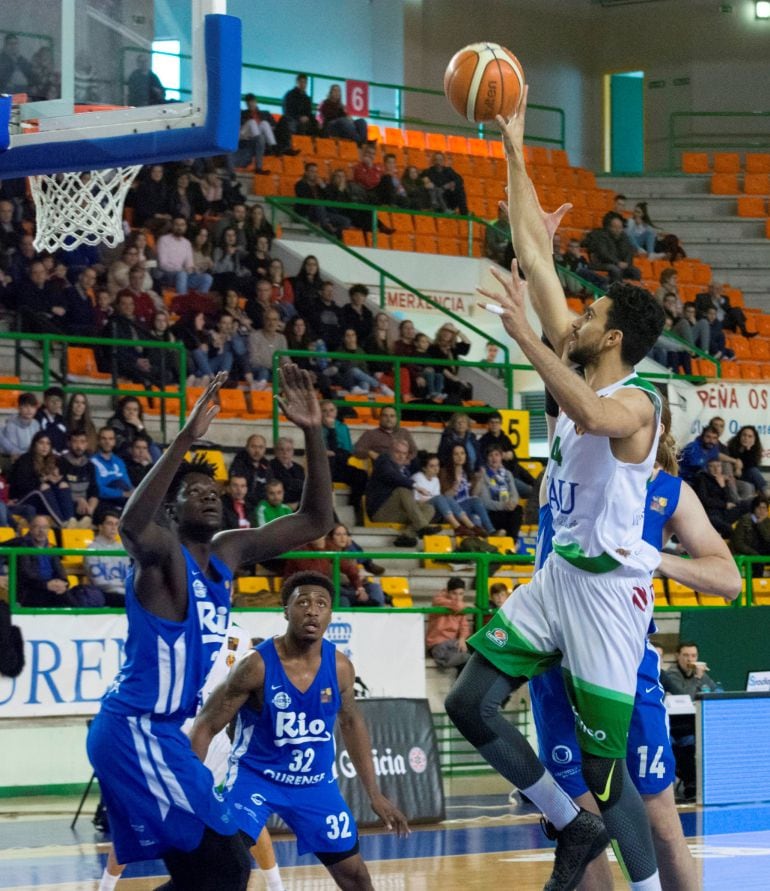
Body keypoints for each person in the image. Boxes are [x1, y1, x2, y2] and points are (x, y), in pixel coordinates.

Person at [445, 88, 669, 890]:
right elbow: (535, 253)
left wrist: (528, 340)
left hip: (609, 599)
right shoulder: (579, 355)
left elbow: (588, 409)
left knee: (615, 780)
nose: (574, 313)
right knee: (469, 703)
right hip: (560, 577)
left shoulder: (638, 401)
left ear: (609, 336)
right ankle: (568, 826)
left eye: (589, 311)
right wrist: (511, 143)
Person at [86, 366, 334, 890]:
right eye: (194, 491)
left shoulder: (227, 551)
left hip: (165, 732)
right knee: (223, 866)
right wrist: (184, 441)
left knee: (219, 871)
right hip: (134, 728)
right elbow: (132, 525)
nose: (208, 495)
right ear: (172, 512)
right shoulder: (160, 556)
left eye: (214, 489)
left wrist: (313, 431)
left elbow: (315, 520)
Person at [530, 395, 739, 890]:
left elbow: (728, 580)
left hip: (625, 664)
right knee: (582, 826)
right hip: (557, 665)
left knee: (660, 819)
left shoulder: (670, 493)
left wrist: (657, 559)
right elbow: (561, 394)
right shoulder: (562, 475)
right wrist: (539, 330)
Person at [190, 570, 408, 890]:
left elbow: (352, 723)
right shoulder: (256, 665)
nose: (312, 609)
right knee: (225, 866)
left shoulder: (341, 667)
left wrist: (374, 793)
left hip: (315, 786)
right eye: (302, 602)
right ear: (286, 611)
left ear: (331, 614)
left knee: (356, 877)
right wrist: (194, 790)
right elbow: (206, 724)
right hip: (255, 779)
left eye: (321, 603)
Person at [661, 641, 719, 803]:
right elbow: (683, 696)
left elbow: (715, 691)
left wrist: (703, 680)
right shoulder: (672, 674)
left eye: (693, 656)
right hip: (675, 728)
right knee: (686, 746)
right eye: (686, 655)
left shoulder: (700, 674)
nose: (690, 659)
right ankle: (690, 784)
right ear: (677, 656)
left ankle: (702, 785)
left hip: (693, 727)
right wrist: (698, 679)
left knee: (702, 742)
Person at [364, 438, 438, 547]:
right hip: (380, 512)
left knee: (429, 508)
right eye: (397, 452)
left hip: (397, 512)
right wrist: (415, 485)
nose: (401, 456)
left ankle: (406, 536)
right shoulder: (383, 460)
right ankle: (422, 527)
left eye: (404, 453)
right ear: (390, 451)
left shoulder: (404, 470)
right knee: (402, 489)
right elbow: (391, 476)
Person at [7, 430, 75, 527]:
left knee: (63, 485)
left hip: (43, 497)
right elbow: (22, 485)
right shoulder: (25, 459)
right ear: (34, 444)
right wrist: (44, 479)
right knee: (42, 488)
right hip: (22, 498)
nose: (45, 446)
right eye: (41, 443)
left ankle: (71, 520)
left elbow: (60, 481)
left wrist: (58, 480)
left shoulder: (55, 460)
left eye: (48, 444)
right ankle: (62, 523)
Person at [320, 399, 367, 525]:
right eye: (324, 411)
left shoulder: (342, 427)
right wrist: (329, 430)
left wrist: (333, 451)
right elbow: (315, 451)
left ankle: (355, 508)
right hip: (323, 467)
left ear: (336, 412)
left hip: (340, 464)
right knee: (327, 463)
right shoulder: (315, 428)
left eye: (331, 410)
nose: (328, 413)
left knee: (361, 475)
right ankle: (329, 511)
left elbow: (347, 453)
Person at [411, 452, 479, 535]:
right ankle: (457, 527)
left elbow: (438, 499)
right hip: (422, 512)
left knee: (448, 498)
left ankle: (472, 526)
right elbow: (415, 501)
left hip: (435, 512)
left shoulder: (435, 480)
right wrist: (436, 499)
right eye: (432, 466)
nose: (436, 469)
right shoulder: (417, 477)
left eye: (437, 465)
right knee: (440, 498)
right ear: (424, 468)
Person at [12, 515, 70, 607]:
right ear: (30, 529)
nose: (41, 531)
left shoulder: (52, 548)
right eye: (37, 527)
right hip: (32, 590)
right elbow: (27, 575)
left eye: (45, 527)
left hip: (51, 588)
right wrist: (46, 585)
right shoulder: (23, 547)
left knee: (69, 598)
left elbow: (60, 571)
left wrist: (63, 583)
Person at [438, 445, 495, 535]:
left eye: (462, 453)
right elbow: (445, 496)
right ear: (451, 456)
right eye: (456, 454)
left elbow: (473, 494)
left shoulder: (468, 472)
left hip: (466, 508)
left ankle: (491, 531)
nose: (460, 456)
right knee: (475, 521)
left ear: (466, 456)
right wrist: (456, 483)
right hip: (453, 509)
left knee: (476, 504)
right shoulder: (444, 472)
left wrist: (479, 479)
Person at [84, 509, 130, 607]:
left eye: (116, 524)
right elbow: (99, 582)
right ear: (100, 526)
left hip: (124, 592)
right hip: (105, 593)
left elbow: (128, 575)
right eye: (109, 524)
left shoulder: (123, 548)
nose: (114, 528)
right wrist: (122, 589)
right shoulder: (92, 549)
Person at [475, 445, 522, 539]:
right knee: (505, 516)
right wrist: (504, 505)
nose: (494, 458)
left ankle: (513, 542)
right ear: (487, 459)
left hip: (507, 510)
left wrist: (512, 503)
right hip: (493, 512)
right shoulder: (484, 475)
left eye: (497, 455)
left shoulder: (507, 474)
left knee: (517, 509)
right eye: (491, 455)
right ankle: (508, 541)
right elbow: (485, 502)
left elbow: (514, 494)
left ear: (501, 457)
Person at [426, 576, 472, 671]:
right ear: (447, 592)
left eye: (461, 594)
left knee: (467, 657)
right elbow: (457, 605)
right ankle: (444, 661)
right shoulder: (439, 600)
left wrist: (462, 639)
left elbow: (464, 626)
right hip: (437, 643)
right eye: (454, 593)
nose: (457, 597)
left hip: (452, 643)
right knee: (462, 658)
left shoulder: (461, 606)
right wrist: (464, 605)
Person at [156, 217, 213, 295]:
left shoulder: (187, 243)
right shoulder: (164, 240)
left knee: (207, 278)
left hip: (183, 275)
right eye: (177, 224)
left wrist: (193, 268)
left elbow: (189, 264)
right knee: (182, 274)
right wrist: (182, 269)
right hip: (167, 275)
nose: (179, 227)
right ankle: (183, 302)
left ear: (185, 227)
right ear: (172, 226)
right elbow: (163, 264)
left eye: (182, 225)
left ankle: (199, 303)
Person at [583, 212, 641, 283]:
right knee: (615, 269)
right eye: (615, 227)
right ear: (609, 227)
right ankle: (616, 290)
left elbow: (629, 252)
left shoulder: (624, 237)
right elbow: (603, 254)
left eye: (620, 228)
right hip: (601, 263)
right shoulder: (601, 236)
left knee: (635, 271)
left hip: (617, 264)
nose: (618, 230)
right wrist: (617, 262)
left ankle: (634, 291)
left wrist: (626, 263)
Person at [60, 431, 100, 527]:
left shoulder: (90, 465)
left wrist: (90, 508)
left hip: (85, 505)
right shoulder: (60, 463)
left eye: (82, 442)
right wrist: (79, 500)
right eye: (75, 442)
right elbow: (61, 489)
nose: (79, 446)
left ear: (86, 444)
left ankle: (87, 520)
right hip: (68, 504)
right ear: (69, 443)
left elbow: (94, 490)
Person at [353, 405, 418, 463]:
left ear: (396, 418)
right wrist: (370, 452)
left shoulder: (404, 432)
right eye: (385, 416)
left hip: (402, 465)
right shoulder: (370, 434)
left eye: (392, 416)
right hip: (382, 466)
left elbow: (414, 451)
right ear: (380, 418)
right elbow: (357, 449)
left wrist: (406, 459)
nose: (389, 419)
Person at [90, 427, 133, 512]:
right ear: (98, 441)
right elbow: (98, 489)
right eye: (104, 438)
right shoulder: (91, 462)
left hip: (123, 500)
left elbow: (128, 485)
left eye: (111, 439)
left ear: (114, 441)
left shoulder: (119, 461)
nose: (107, 442)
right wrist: (122, 493)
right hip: (105, 501)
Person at [730, 495, 770, 577]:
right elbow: (738, 543)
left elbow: (768, 539)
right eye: (759, 508)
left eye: (764, 508)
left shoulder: (767, 522)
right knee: (758, 560)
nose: (762, 511)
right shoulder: (744, 521)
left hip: (760, 551)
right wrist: (754, 553)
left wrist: (761, 524)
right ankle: (755, 585)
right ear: (754, 509)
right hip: (746, 552)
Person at [726, 425, 769, 497]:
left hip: (747, 477)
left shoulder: (754, 451)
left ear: (754, 439)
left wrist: (748, 449)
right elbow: (736, 469)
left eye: (750, 436)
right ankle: (766, 492)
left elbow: (750, 465)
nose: (746, 438)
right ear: (739, 436)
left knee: (752, 473)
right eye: (744, 435)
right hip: (733, 476)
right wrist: (737, 466)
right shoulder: (731, 447)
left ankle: (764, 493)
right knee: (753, 471)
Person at [229, 433, 272, 505]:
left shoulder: (266, 465)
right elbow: (237, 489)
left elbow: (270, 487)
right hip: (243, 504)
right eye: (253, 447)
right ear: (247, 447)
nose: (257, 451)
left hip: (263, 505)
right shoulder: (239, 463)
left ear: (265, 449)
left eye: (261, 447)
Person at [0, 392, 40, 463]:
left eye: (32, 407)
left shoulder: (36, 424)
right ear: (19, 407)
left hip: (31, 457)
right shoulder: (11, 425)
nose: (29, 410)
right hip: (14, 458)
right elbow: (13, 449)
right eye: (25, 406)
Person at [269, 437, 305, 509]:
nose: (285, 453)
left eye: (288, 450)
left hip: (299, 505)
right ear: (276, 452)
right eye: (281, 450)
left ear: (293, 452)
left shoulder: (299, 468)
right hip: (280, 506)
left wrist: (298, 504)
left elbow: (305, 489)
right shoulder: (270, 466)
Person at [35, 386, 68, 454]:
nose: (55, 403)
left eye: (58, 400)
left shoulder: (62, 420)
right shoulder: (38, 417)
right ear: (45, 401)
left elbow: (66, 441)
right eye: (52, 400)